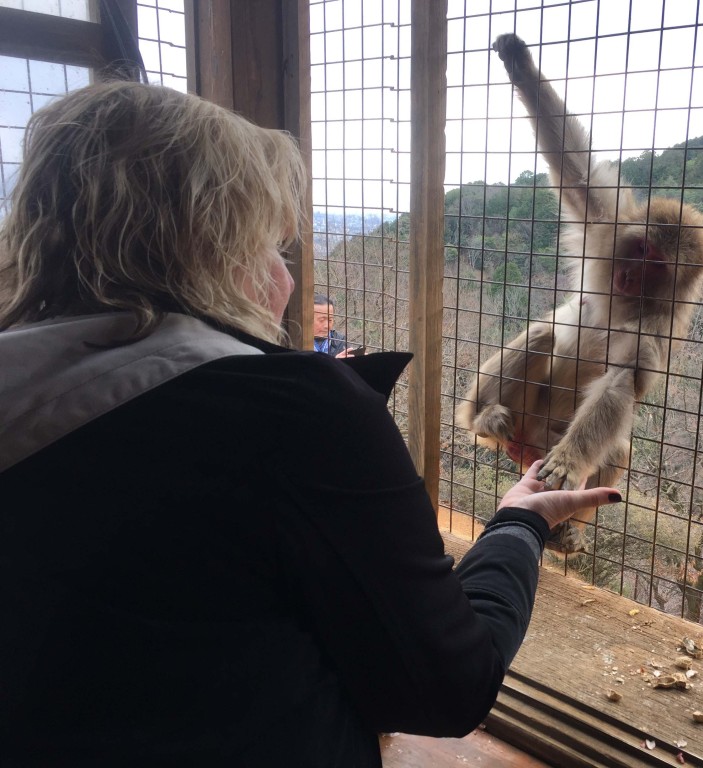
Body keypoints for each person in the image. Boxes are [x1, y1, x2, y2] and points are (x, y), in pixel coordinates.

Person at [0, 81, 620, 767]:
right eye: (273, 248)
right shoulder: (286, 412)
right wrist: (520, 525)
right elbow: (450, 686)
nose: (288, 282)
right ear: (212, 250)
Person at [313, 292, 351, 356]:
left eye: (330, 320)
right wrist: (335, 362)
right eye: (321, 320)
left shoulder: (340, 341)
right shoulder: (295, 341)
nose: (327, 326)